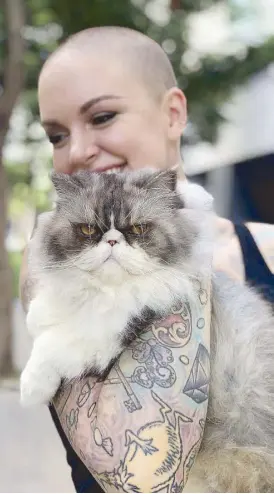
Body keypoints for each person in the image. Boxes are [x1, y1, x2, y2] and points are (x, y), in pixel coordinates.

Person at [19, 27, 274, 493]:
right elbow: (141, 477)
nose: (76, 151)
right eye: (57, 135)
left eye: (102, 116)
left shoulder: (266, 248)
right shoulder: (57, 258)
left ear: (173, 113)